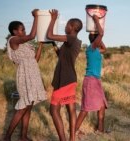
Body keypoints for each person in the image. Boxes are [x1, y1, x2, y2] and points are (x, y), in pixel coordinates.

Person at [4, 9, 47, 141]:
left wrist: (40, 46)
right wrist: (36, 17)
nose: (24, 31)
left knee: (29, 106)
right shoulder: (14, 40)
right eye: (22, 29)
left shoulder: (25, 44)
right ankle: (7, 138)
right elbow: (32, 35)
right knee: (23, 107)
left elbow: (35, 60)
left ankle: (23, 136)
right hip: (25, 75)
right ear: (15, 31)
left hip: (33, 73)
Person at [47, 9, 83, 141]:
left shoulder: (71, 38)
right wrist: (54, 45)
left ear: (72, 27)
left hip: (64, 80)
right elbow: (61, 56)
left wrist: (53, 19)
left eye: (67, 24)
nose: (65, 26)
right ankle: (72, 138)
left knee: (53, 110)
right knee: (71, 109)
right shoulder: (74, 41)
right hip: (70, 79)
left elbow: (50, 35)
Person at [75, 15, 107, 136]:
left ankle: (100, 130)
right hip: (91, 81)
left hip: (95, 81)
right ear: (95, 41)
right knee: (85, 109)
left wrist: (98, 37)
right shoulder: (91, 48)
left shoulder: (97, 49)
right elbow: (102, 33)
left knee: (102, 105)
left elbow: (105, 48)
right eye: (98, 39)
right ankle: (75, 130)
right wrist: (97, 22)